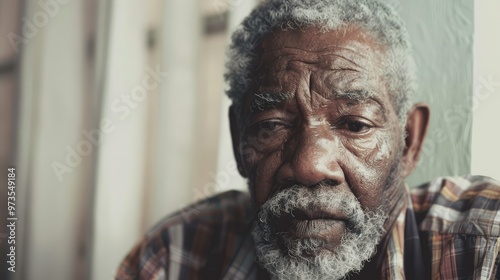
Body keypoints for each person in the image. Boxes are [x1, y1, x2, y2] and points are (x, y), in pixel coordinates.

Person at [116, 0, 500, 279]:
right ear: (238, 140)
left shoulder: (482, 246)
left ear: (409, 141)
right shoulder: (177, 256)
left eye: (354, 125)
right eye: (271, 125)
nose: (310, 164)